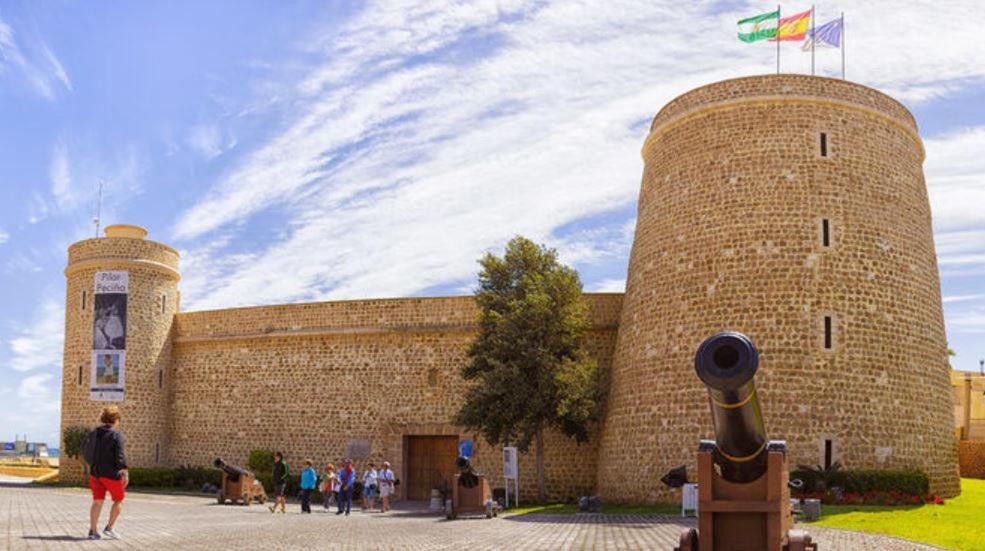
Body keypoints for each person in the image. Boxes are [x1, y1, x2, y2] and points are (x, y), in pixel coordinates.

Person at [87, 406, 128, 540]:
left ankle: (93, 531)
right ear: (115, 419)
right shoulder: (117, 435)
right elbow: (120, 456)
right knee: (119, 500)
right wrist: (125, 472)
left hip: (95, 474)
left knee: (97, 502)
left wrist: (92, 466)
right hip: (111, 475)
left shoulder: (94, 433)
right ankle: (109, 528)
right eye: (119, 419)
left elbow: (86, 451)